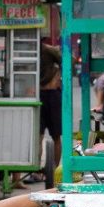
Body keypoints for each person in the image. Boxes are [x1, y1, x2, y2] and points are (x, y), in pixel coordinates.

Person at [38, 45, 63, 181]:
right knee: (39, 137)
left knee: (55, 136)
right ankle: (40, 170)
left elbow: (70, 60)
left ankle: (54, 170)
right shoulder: (32, 49)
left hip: (51, 94)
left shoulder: (47, 49)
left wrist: (57, 76)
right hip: (41, 95)